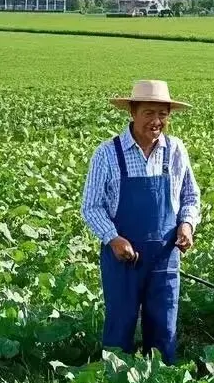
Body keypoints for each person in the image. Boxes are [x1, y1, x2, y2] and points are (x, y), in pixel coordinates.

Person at [80, 79, 201, 365]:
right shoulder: (108, 153)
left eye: (163, 114)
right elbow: (91, 206)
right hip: (123, 257)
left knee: (164, 326)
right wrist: (113, 237)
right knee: (120, 323)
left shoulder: (175, 150)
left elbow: (190, 195)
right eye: (149, 113)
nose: (156, 121)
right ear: (132, 112)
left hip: (165, 256)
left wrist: (186, 224)